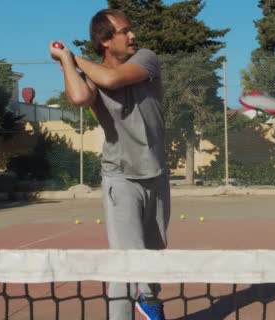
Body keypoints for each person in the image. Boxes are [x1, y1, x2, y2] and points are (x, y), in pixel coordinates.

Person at [50, 8, 169, 320]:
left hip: (156, 175)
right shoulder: (91, 76)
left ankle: (150, 303)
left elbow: (113, 79)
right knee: (124, 262)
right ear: (105, 40)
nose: (133, 36)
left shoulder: (146, 58)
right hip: (120, 179)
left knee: (154, 259)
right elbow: (78, 98)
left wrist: (73, 58)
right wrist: (66, 63)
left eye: (131, 29)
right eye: (124, 31)